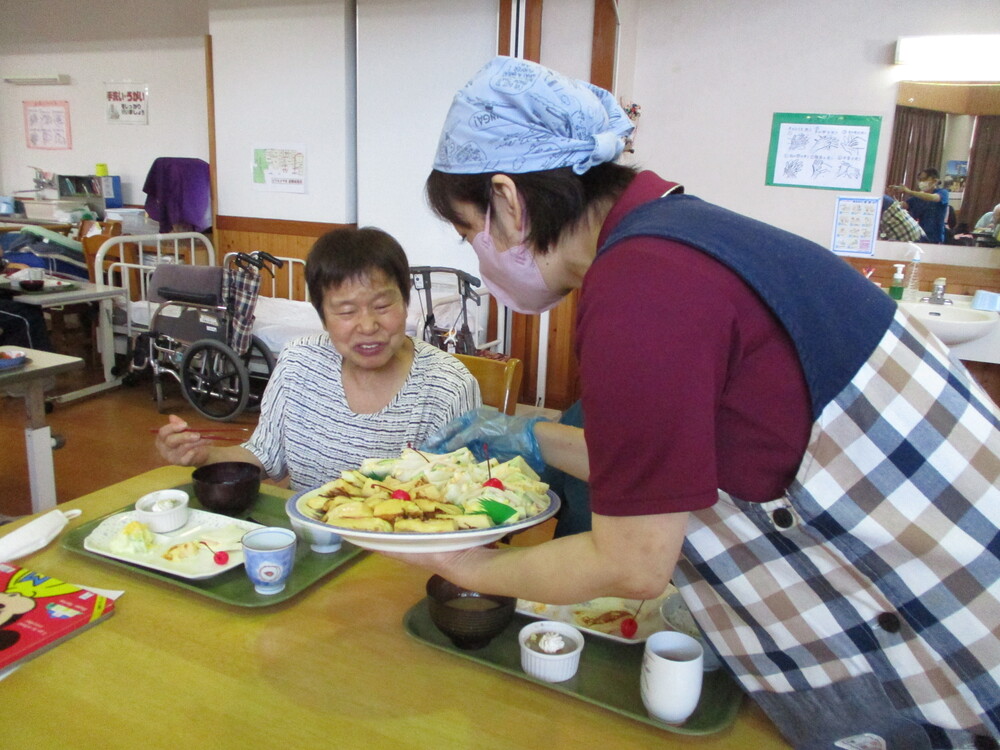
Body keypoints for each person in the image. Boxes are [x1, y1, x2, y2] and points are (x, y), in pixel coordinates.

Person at [394, 57, 1000, 750]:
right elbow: (671, 465)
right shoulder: (678, 235)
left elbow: (634, 561)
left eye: (467, 229)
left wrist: (465, 567)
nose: (478, 255)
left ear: (507, 200)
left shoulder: (640, 287)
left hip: (961, 635)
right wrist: (531, 439)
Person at [156, 227, 481, 491]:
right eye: (345, 311)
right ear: (323, 317)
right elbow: (264, 456)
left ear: (406, 302)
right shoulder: (299, 364)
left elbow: (469, 492)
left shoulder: (447, 385)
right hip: (311, 547)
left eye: (382, 306)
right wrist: (203, 455)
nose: (368, 326)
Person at [891, 168, 950, 243]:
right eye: (920, 179)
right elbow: (901, 205)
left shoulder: (943, 193)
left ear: (935, 181)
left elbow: (932, 197)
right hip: (919, 237)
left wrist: (909, 191)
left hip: (935, 239)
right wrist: (892, 196)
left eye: (924, 179)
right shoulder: (918, 197)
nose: (921, 182)